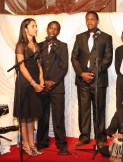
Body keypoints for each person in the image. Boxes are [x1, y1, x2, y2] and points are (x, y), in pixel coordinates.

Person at [71, 11, 113, 148]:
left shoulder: (106, 37)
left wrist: (93, 73)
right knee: (84, 109)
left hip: (98, 80)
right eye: (87, 19)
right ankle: (84, 137)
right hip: (82, 80)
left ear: (97, 21)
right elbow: (74, 57)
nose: (90, 21)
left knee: (99, 109)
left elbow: (108, 59)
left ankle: (100, 138)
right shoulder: (79, 37)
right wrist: (82, 73)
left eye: (92, 19)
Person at [36, 21, 70, 155]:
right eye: (51, 28)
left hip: (57, 87)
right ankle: (42, 142)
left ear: (58, 32)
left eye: (56, 29)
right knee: (42, 115)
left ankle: (61, 143)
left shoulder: (62, 46)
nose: (52, 31)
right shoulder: (39, 46)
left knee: (58, 116)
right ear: (47, 29)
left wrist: (52, 82)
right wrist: (43, 82)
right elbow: (36, 66)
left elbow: (64, 67)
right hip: (42, 86)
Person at [13, 18, 44, 156]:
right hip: (25, 83)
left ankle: (32, 144)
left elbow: (39, 64)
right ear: (25, 28)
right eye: (33, 26)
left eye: (36, 26)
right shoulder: (21, 45)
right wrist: (33, 83)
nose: (36, 28)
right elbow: (21, 66)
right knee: (25, 116)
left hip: (36, 81)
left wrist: (41, 80)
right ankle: (25, 145)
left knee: (31, 116)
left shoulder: (36, 45)